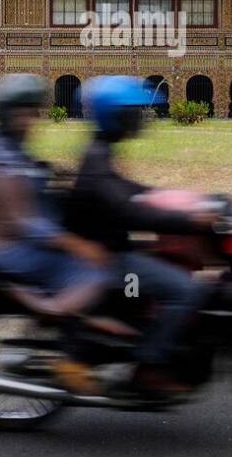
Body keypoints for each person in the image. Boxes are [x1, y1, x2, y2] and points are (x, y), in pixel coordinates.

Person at [69, 76, 215, 395]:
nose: (138, 119)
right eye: (131, 113)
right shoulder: (97, 159)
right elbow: (129, 212)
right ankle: (150, 367)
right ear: (113, 116)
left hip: (109, 245)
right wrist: (189, 220)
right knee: (185, 290)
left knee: (171, 262)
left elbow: (125, 191)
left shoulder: (101, 150)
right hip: (107, 256)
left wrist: (171, 196)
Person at [0, 74, 114, 391]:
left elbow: (33, 179)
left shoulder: (4, 145)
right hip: (14, 250)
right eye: (27, 112)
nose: (34, 120)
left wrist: (55, 173)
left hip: (17, 243)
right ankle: (55, 325)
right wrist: (77, 245)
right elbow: (23, 222)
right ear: (9, 113)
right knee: (97, 272)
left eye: (35, 112)